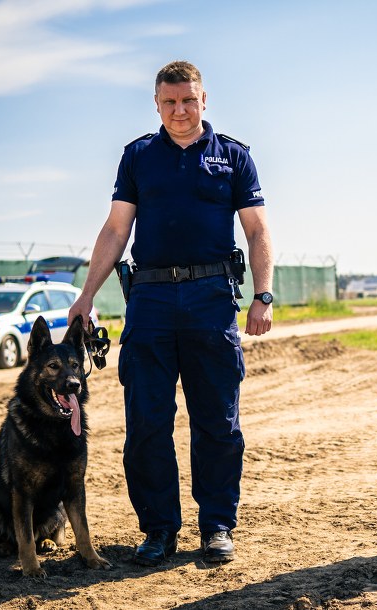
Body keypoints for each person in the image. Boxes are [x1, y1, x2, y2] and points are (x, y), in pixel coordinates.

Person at [68, 60, 274, 565]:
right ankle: (159, 530)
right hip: (151, 301)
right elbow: (117, 230)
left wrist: (262, 295)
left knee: (218, 423)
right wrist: (86, 294)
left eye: (188, 100)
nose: (179, 110)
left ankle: (217, 527)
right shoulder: (138, 157)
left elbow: (257, 231)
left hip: (211, 300)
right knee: (146, 424)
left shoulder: (234, 157)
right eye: (169, 102)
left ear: (204, 100)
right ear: (157, 104)